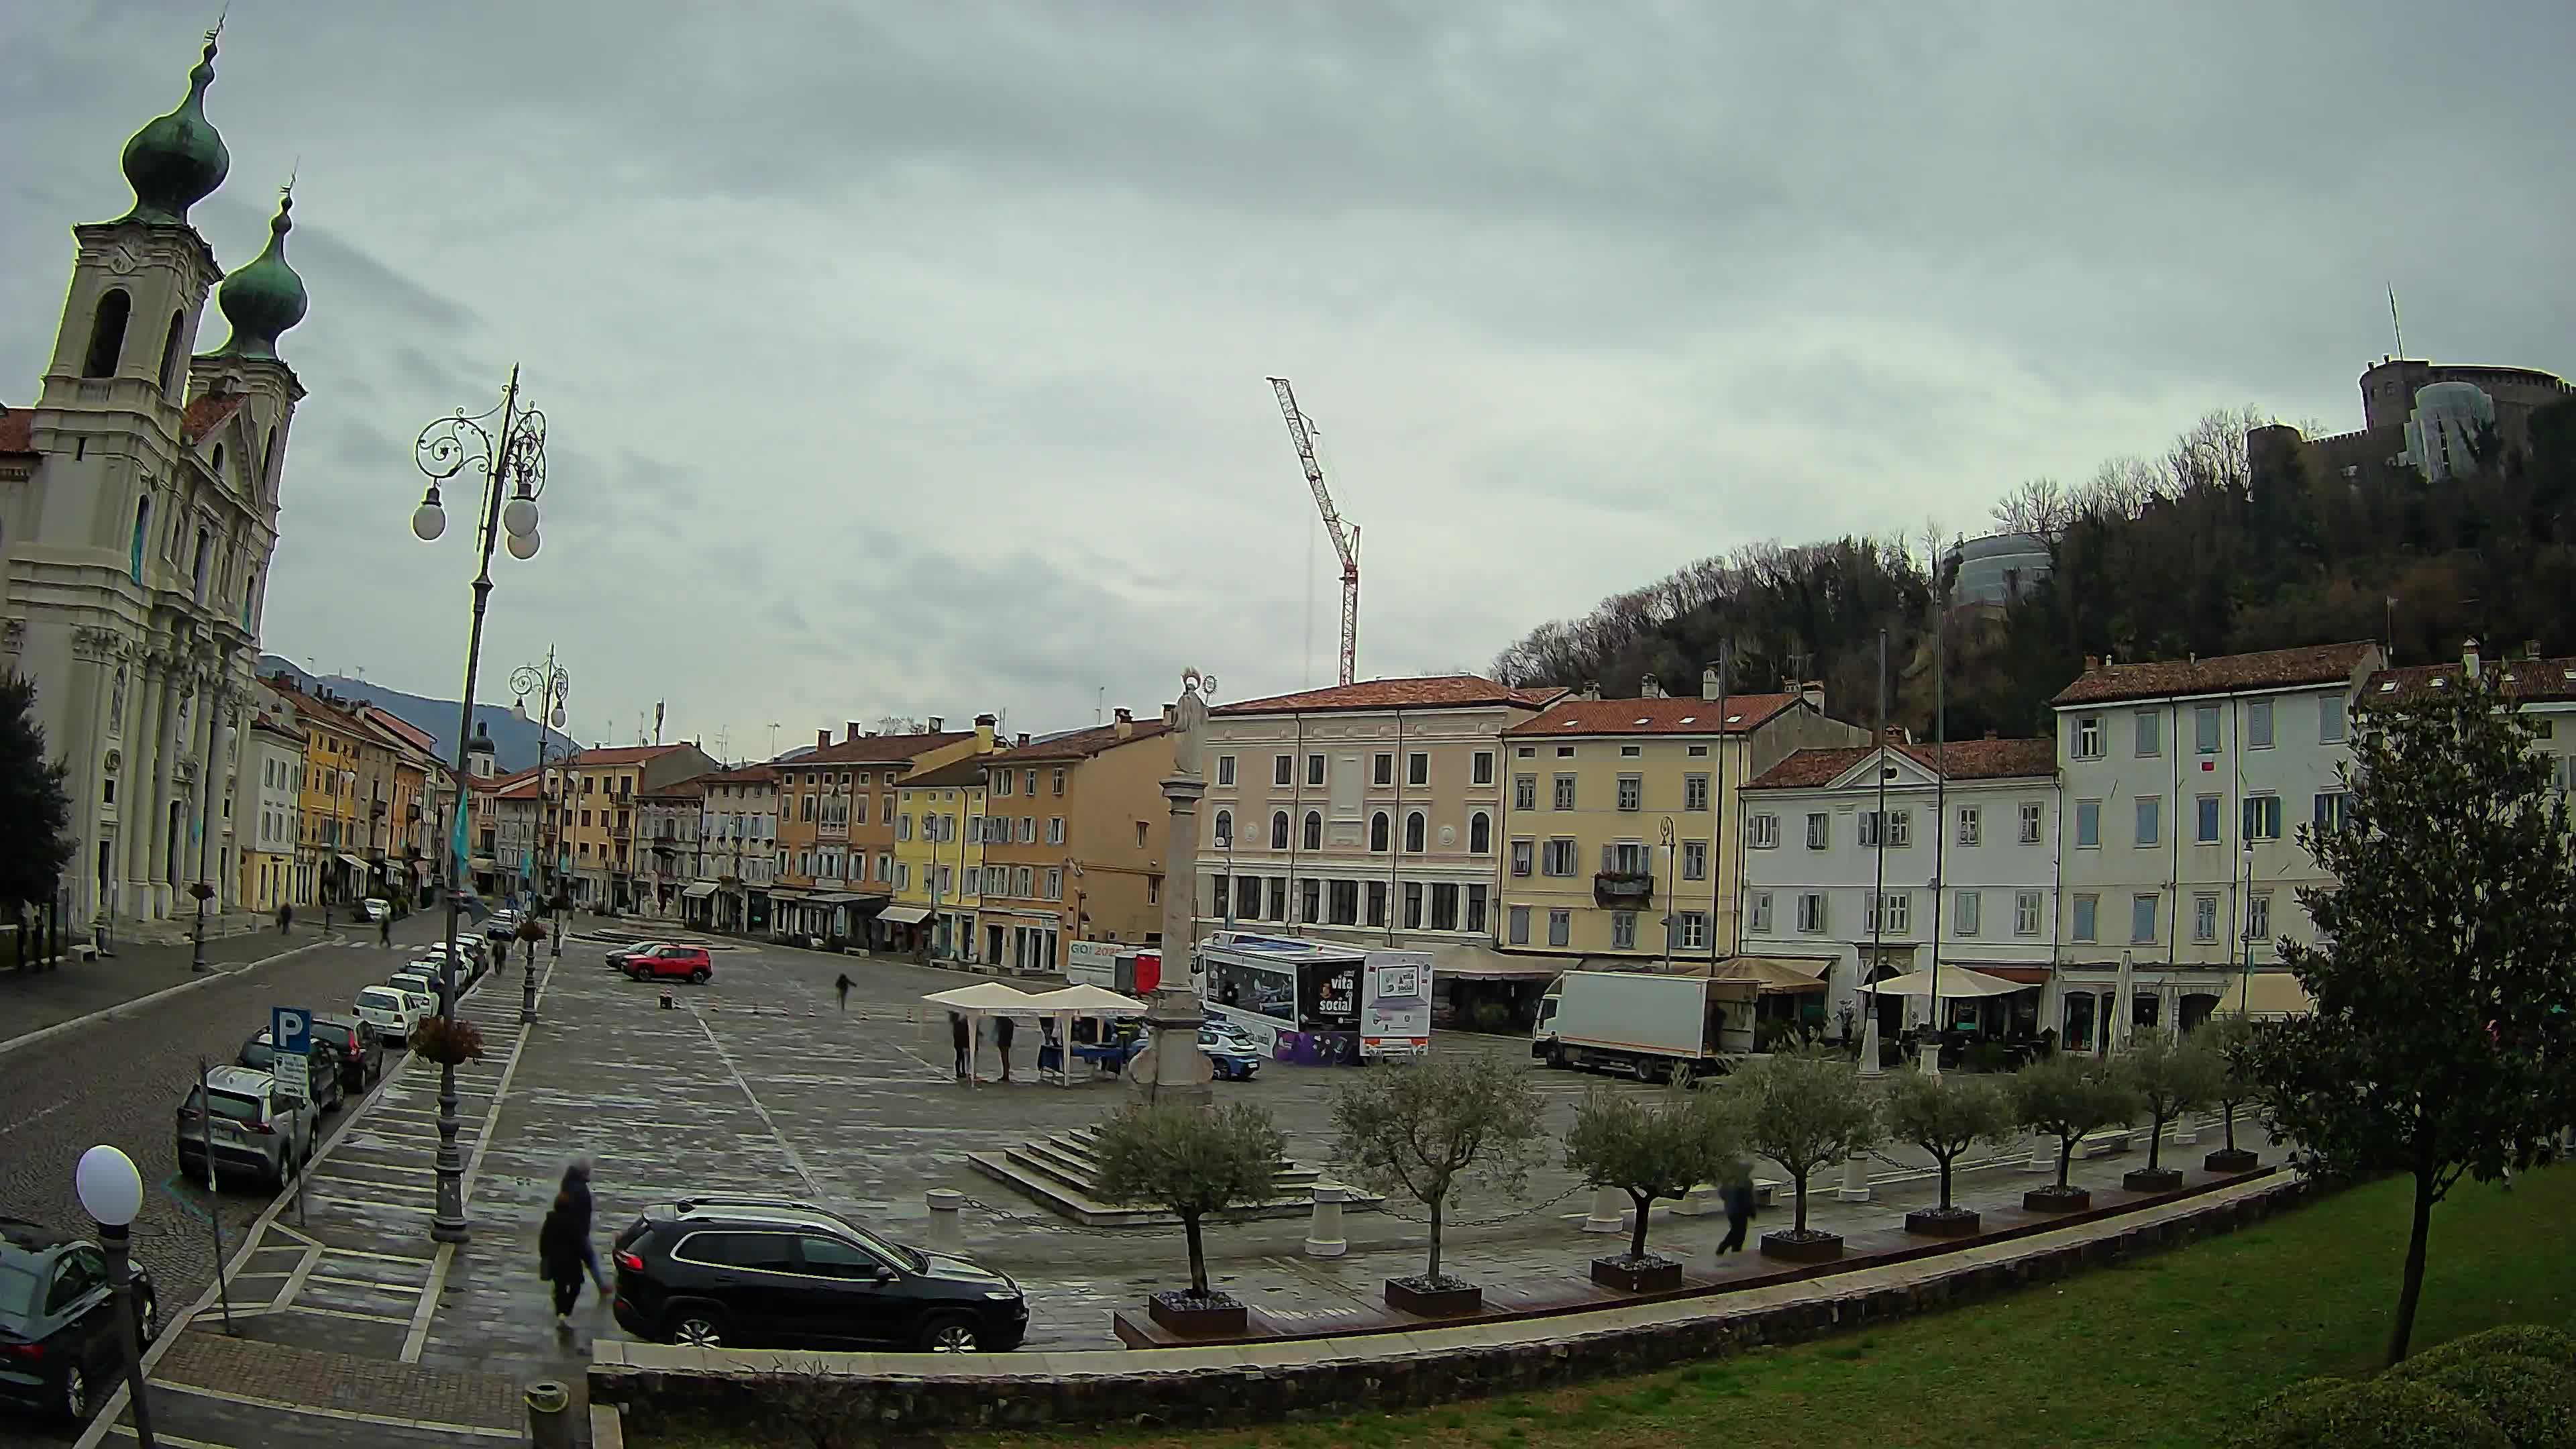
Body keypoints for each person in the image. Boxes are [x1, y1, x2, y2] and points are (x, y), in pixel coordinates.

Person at [537, 1160, 606, 1326]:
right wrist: (587, 1259)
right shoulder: (573, 1224)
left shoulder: (551, 1220)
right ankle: (566, 1310)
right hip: (571, 1261)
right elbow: (581, 1247)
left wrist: (545, 1255)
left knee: (560, 1286)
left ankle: (560, 1309)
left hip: (556, 1260)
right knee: (575, 1286)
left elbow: (543, 1240)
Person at [1717, 1164, 1757, 1254]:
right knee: (1738, 1231)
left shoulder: (1730, 1181)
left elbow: (1722, 1193)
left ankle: (1733, 1248)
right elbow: (1749, 1199)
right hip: (1739, 1211)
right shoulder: (1745, 1182)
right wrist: (1752, 1211)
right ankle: (1725, 1247)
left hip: (1732, 1210)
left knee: (1737, 1230)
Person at [994, 1014, 1016, 1083]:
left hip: (1003, 1042)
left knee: (1004, 1059)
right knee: (1006, 1059)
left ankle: (1005, 1075)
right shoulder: (1010, 1022)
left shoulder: (1001, 1022)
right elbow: (1011, 1033)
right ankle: (1006, 1074)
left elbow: (999, 1032)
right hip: (1007, 1042)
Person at [949, 1012, 970, 1079]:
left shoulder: (956, 1024)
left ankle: (961, 1072)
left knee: (960, 1057)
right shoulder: (959, 1024)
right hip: (959, 1043)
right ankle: (961, 1072)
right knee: (960, 1058)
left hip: (958, 1043)